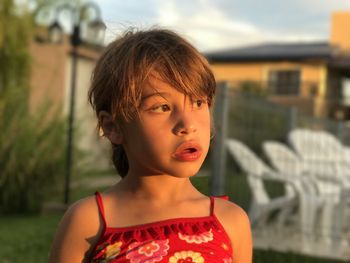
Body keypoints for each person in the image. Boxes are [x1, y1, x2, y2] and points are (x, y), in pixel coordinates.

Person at [49, 28, 252, 263]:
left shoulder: (231, 221)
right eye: (162, 107)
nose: (188, 125)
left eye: (198, 102)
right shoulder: (88, 221)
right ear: (113, 126)